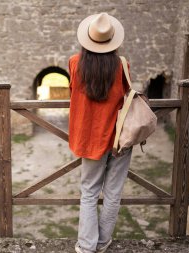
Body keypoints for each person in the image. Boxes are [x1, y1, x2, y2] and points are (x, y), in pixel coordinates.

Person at [69, 13, 132, 253]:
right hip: (119, 139)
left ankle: (86, 246)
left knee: (89, 193)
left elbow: (74, 91)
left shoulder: (75, 63)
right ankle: (103, 242)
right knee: (113, 193)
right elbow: (126, 97)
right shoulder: (122, 65)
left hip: (90, 138)